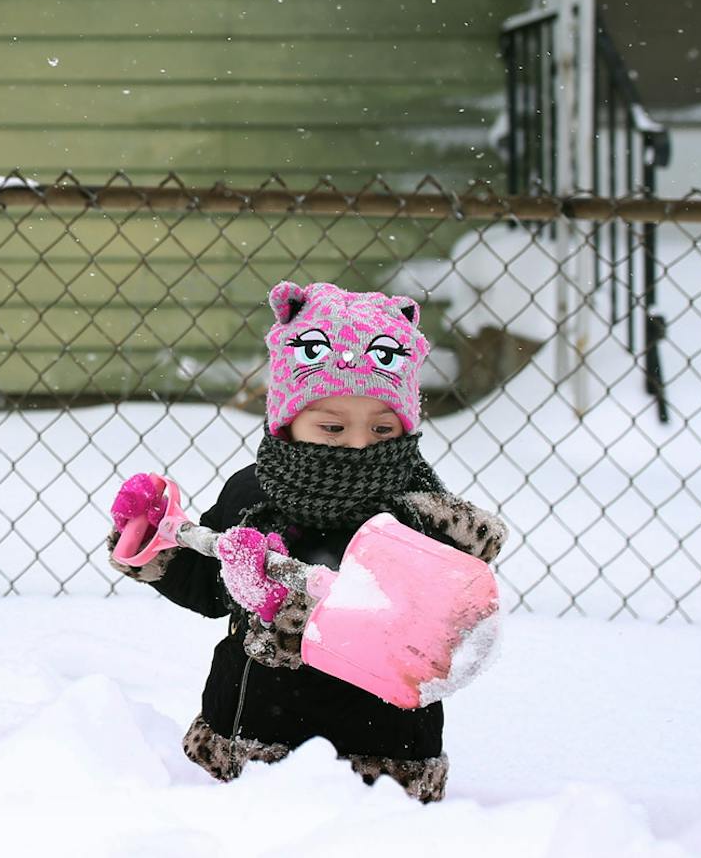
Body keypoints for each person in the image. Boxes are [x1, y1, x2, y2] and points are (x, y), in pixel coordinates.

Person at [108, 281, 507, 802]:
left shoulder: (413, 511)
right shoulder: (252, 493)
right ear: (289, 422)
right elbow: (206, 584)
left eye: (383, 430)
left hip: (382, 752)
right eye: (333, 427)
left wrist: (285, 604)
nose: (358, 445)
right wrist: (150, 541)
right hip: (253, 734)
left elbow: (430, 632)